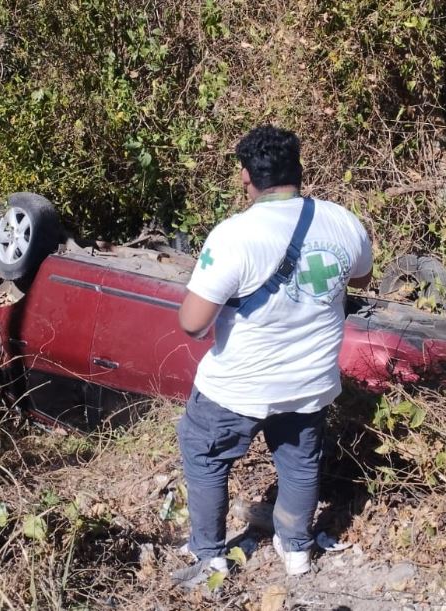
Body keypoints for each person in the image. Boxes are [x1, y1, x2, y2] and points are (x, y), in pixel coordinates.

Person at [173, 125, 373, 585]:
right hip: (309, 383)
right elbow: (360, 280)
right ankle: (297, 549)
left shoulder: (234, 235)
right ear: (298, 170)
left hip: (237, 385)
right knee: (300, 463)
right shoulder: (343, 221)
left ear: (246, 177)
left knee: (205, 457)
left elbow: (192, 321)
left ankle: (209, 554)